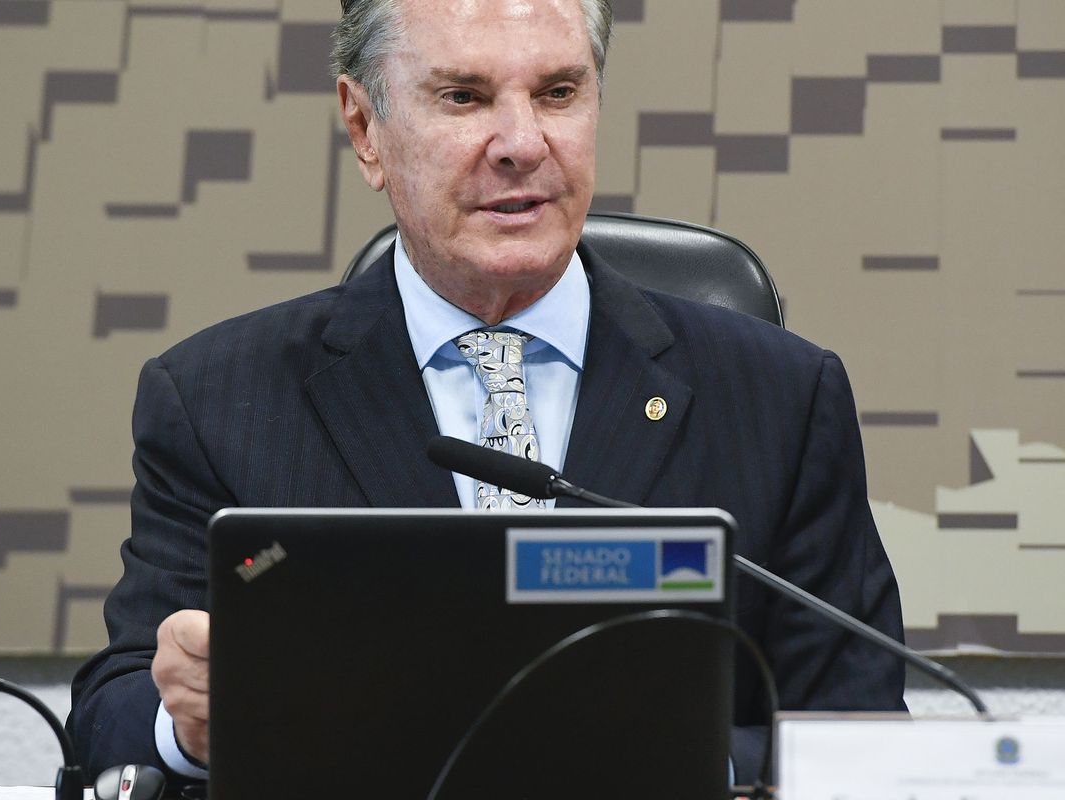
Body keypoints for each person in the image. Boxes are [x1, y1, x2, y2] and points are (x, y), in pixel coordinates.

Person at [68, 0, 906, 788]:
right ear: (365, 128)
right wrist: (188, 727)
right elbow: (110, 720)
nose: (522, 143)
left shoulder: (781, 398)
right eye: (464, 97)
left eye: (558, 93)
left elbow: (862, 735)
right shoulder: (218, 400)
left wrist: (669, 759)